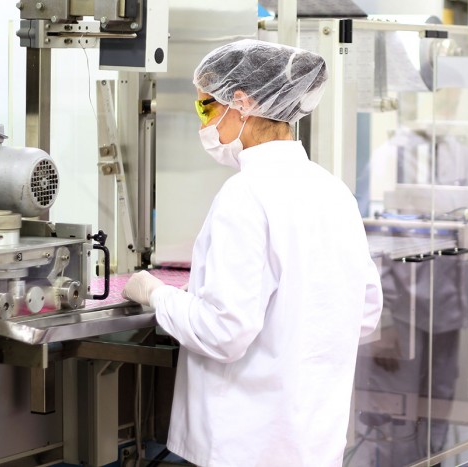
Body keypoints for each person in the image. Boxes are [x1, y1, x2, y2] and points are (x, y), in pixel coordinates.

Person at [122, 39, 383, 467]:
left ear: (240, 102)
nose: (203, 123)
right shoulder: (332, 190)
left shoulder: (245, 196)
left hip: (246, 444)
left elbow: (223, 332)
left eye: (206, 108)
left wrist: (155, 294)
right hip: (313, 440)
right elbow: (366, 311)